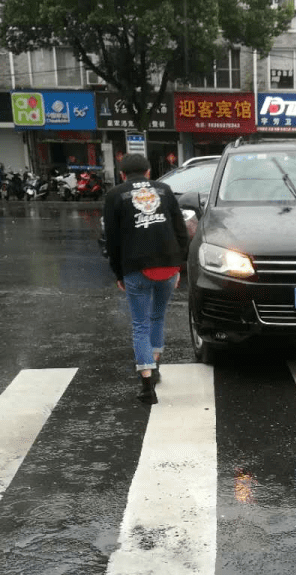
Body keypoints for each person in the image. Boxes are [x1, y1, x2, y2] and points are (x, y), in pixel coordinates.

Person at [103, 152, 190, 404]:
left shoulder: (115, 195)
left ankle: (146, 385)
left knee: (140, 324)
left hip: (136, 267)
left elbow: (113, 240)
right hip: (167, 267)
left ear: (122, 174)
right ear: (149, 172)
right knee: (157, 318)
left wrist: (118, 273)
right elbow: (180, 230)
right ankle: (156, 366)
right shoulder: (164, 190)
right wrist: (178, 266)